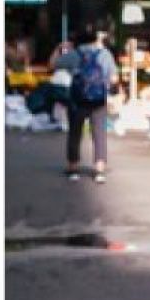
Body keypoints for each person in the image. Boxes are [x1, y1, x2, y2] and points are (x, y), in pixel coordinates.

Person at [55, 26, 119, 183]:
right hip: (98, 100)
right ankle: (99, 170)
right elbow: (114, 79)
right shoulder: (104, 54)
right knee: (99, 134)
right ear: (95, 39)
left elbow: (53, 64)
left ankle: (73, 168)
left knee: (75, 133)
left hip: (77, 99)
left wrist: (59, 49)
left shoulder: (73, 55)